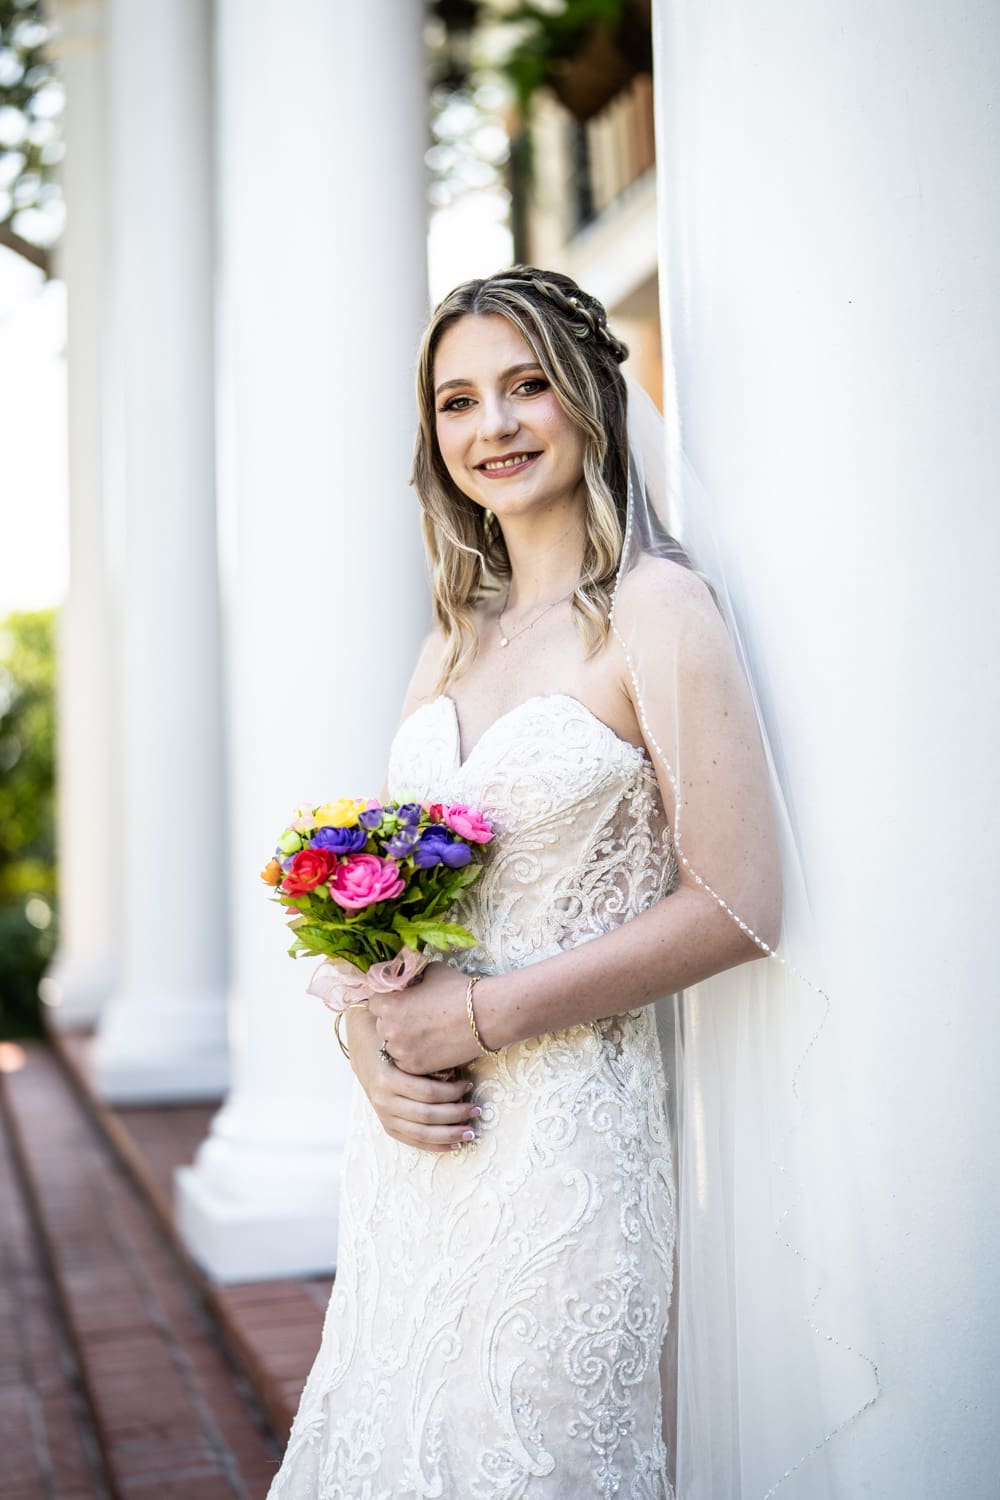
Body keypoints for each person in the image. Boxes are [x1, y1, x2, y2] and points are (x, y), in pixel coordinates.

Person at [267, 265, 789, 1499]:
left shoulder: (655, 611)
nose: (491, 426)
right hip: (414, 1151)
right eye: (456, 401)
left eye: (524, 386)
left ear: (589, 401)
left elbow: (740, 903)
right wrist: (370, 1054)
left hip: (564, 1155)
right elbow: (376, 889)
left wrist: (479, 1016)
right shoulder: (458, 631)